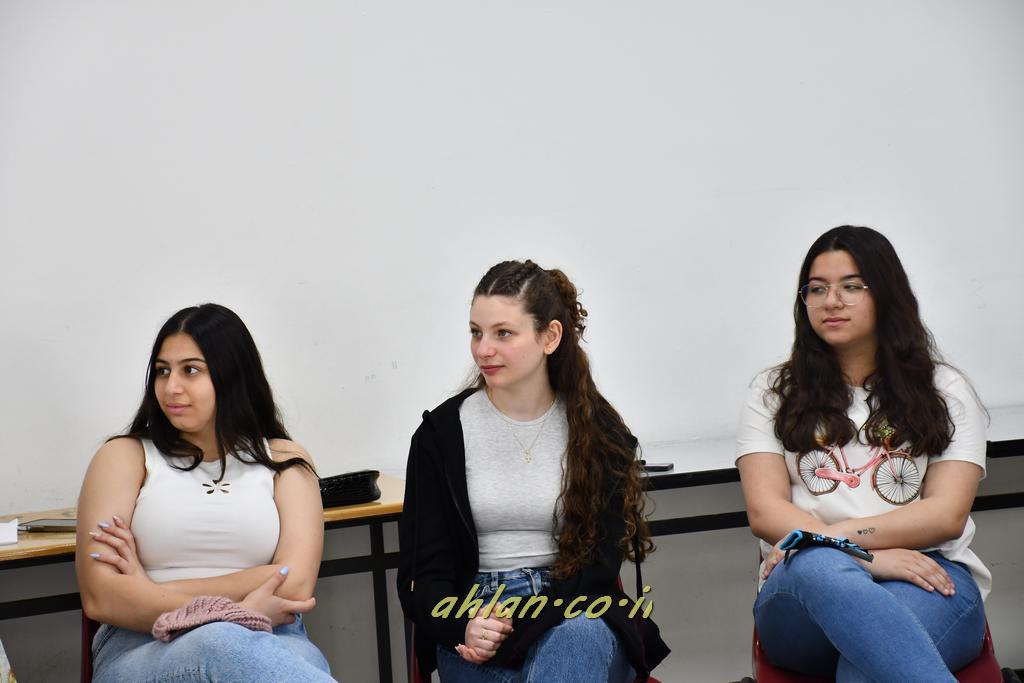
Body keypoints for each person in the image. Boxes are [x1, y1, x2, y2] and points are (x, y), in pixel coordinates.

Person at [736, 226, 989, 682]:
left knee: (869, 665)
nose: (831, 301)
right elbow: (765, 511)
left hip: (927, 574)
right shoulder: (772, 392)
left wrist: (842, 540)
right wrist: (859, 557)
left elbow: (946, 515)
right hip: (802, 588)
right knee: (817, 565)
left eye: (851, 286)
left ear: (887, 294)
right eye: (817, 289)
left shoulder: (945, 390)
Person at [397, 260, 669, 683]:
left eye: (503, 333)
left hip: (575, 608)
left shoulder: (600, 432)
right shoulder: (439, 435)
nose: (483, 349)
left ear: (550, 337)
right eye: (476, 332)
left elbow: (598, 568)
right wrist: (462, 626)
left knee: (577, 638)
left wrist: (530, 617)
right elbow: (422, 576)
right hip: (479, 620)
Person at [75, 303, 335, 682]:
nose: (171, 387)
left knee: (253, 649)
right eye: (163, 371)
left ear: (232, 376)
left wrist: (150, 587)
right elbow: (102, 596)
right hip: (140, 643)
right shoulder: (124, 457)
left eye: (191, 370)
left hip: (272, 634)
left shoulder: (284, 459)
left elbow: (293, 583)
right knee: (219, 642)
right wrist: (240, 610)